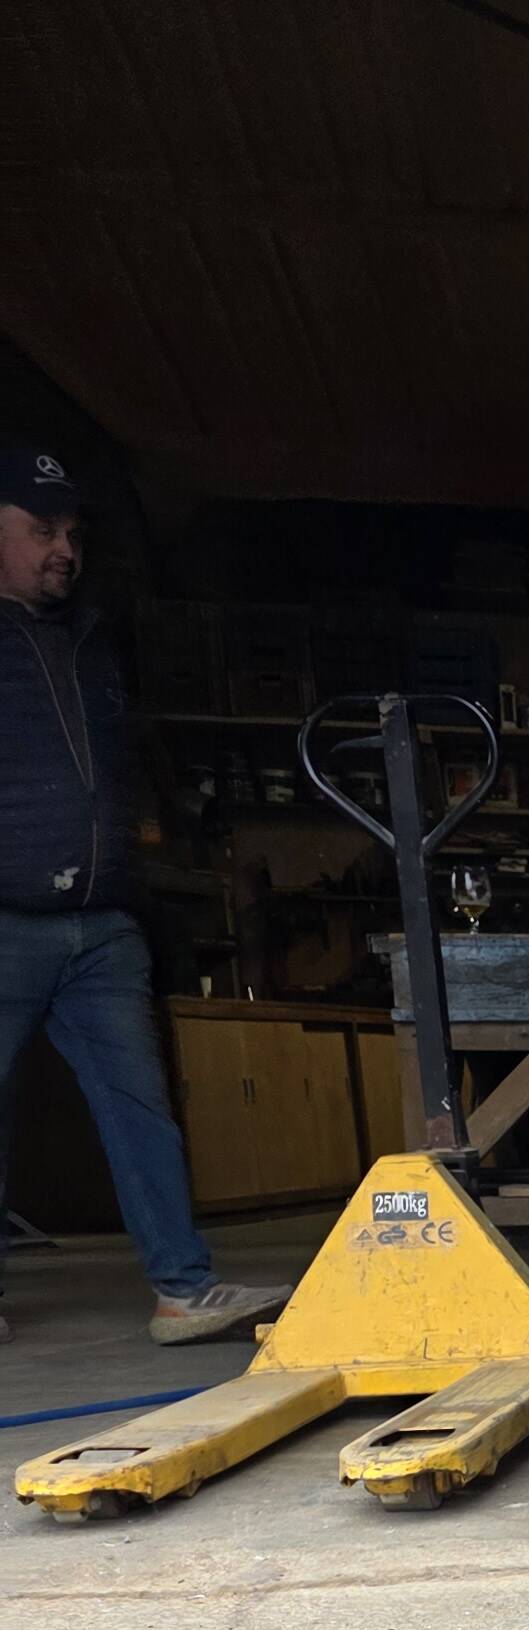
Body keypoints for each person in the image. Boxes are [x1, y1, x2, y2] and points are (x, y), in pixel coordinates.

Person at [0, 444, 283, 1348]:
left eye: (71, 534)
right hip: (4, 922)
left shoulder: (88, 637)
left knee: (141, 1106)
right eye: (40, 531)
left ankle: (182, 1289)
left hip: (103, 926)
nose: (63, 551)